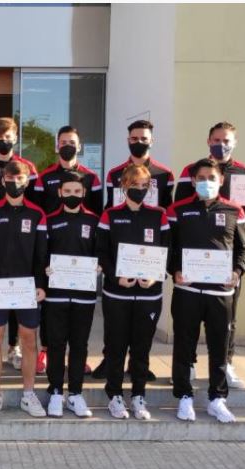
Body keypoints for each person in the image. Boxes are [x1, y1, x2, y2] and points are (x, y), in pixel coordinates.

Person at [173, 122, 245, 389]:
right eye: (216, 140)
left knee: (228, 319)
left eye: (226, 140)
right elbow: (180, 212)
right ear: (208, 140)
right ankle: (188, 364)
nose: (221, 144)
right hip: (193, 260)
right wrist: (175, 267)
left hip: (225, 260)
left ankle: (227, 364)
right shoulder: (191, 170)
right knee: (187, 320)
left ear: (234, 142)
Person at [168, 157, 245, 423]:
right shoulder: (177, 210)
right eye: (201, 178)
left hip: (220, 294)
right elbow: (169, 247)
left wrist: (236, 273)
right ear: (193, 181)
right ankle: (184, 397)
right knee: (183, 345)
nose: (206, 182)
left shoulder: (235, 210)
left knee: (219, 348)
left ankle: (217, 399)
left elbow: (242, 249)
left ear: (221, 180)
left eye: (211, 178)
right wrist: (174, 271)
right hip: (187, 291)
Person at [93, 119, 174, 382]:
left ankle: (139, 366)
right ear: (128, 140)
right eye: (134, 138)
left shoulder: (165, 174)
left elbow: (169, 214)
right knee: (115, 330)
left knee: (142, 332)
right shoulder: (114, 174)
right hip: (121, 250)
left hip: (149, 249)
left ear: (151, 140)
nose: (139, 142)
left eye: (144, 138)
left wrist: (156, 271)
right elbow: (108, 210)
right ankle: (110, 361)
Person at [95, 163, 170, 420]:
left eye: (144, 186)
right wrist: (116, 276)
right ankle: (115, 395)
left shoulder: (158, 216)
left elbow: (167, 251)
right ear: (124, 185)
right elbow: (101, 251)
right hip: (117, 294)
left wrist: (156, 275)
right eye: (135, 185)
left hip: (149, 295)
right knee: (116, 347)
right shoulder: (110, 215)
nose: (140, 189)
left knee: (141, 348)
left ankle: (138, 395)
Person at [0, 161, 48, 418]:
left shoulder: (37, 214)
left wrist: (41, 285)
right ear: (2, 181)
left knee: (29, 339)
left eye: (20, 179)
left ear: (27, 181)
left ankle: (28, 394)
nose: (15, 183)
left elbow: (42, 254)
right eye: (10, 178)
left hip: (26, 288)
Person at [32, 125, 103, 375]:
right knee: (50, 309)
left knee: (80, 317)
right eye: (63, 142)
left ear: (79, 146)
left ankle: (77, 356)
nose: (67, 146)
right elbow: (38, 212)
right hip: (54, 252)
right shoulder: (44, 178)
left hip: (81, 253)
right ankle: (46, 351)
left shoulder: (91, 178)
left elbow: (96, 214)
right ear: (56, 146)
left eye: (72, 142)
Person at [0, 117, 40, 370]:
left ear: (16, 138)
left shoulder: (28, 167)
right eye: (0, 137)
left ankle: (14, 348)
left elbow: (34, 204)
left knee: (18, 295)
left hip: (21, 238)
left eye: (9, 137)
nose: (4, 141)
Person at [43, 171, 100, 418]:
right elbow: (41, 252)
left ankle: (75, 393)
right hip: (56, 294)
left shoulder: (94, 220)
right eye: (67, 191)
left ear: (84, 192)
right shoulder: (49, 220)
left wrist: (99, 266)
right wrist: (45, 267)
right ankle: (56, 391)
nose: (72, 195)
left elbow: (101, 251)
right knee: (56, 344)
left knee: (79, 345)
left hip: (83, 295)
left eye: (77, 191)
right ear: (60, 192)